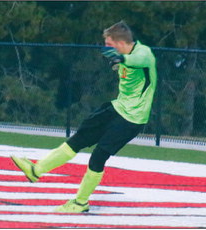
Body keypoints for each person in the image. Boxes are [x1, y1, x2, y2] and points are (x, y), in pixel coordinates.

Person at [10, 20, 157, 213]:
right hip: (116, 108)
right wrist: (116, 57)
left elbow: (135, 60)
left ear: (120, 43)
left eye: (109, 44)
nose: (107, 48)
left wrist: (119, 59)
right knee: (78, 139)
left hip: (132, 119)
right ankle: (35, 171)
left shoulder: (143, 53)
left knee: (98, 157)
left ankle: (81, 203)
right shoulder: (120, 54)